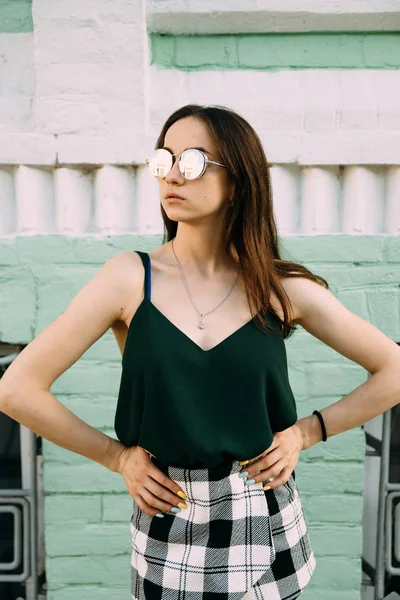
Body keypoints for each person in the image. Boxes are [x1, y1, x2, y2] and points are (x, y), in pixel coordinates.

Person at [0, 104, 399, 600]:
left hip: (265, 515)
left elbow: (393, 370)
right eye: (163, 160)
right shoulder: (129, 278)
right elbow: (16, 389)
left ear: (237, 181)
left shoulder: (278, 288)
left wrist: (307, 431)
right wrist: (118, 458)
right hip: (169, 520)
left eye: (191, 162)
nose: (171, 175)